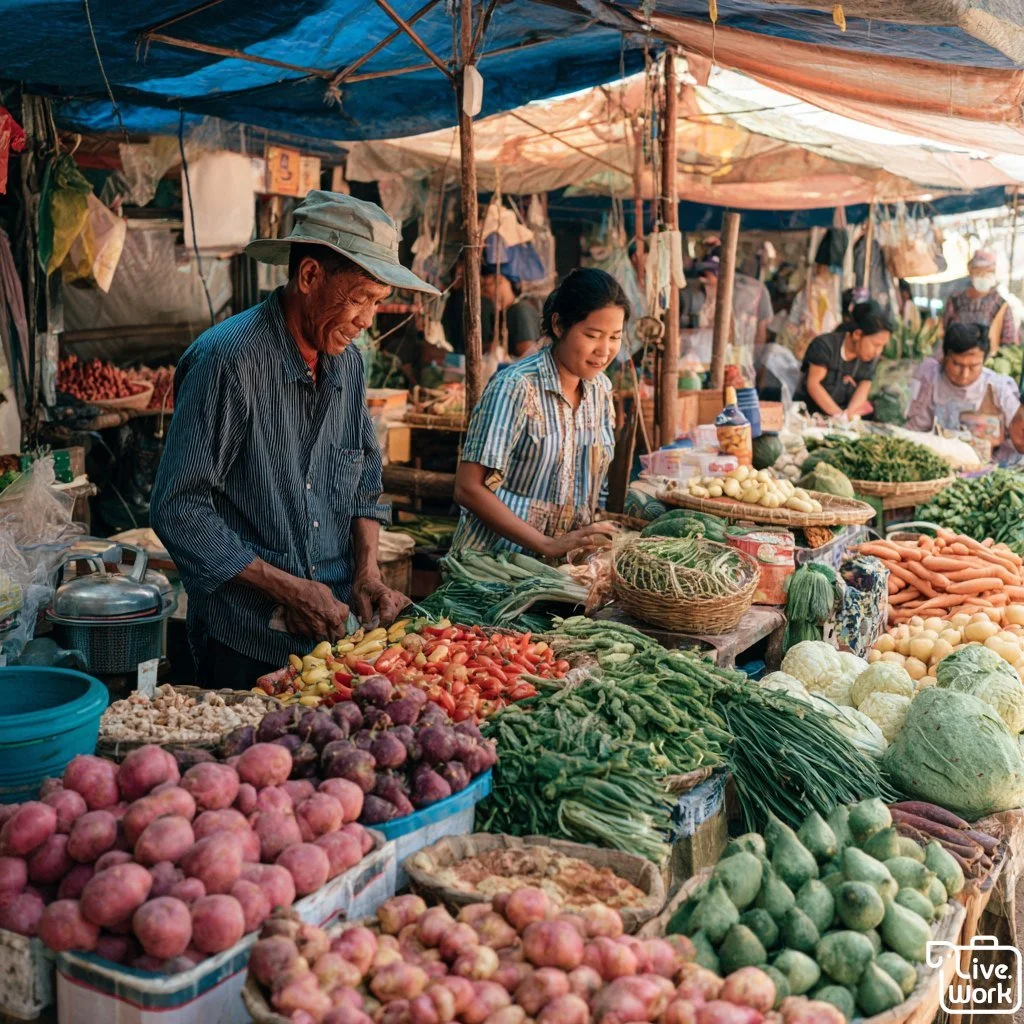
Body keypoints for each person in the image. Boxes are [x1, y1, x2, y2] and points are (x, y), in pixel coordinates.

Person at [151, 191, 439, 689]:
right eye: (360, 298)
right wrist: (287, 589)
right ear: (309, 276)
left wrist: (367, 574)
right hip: (247, 639)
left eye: (377, 302)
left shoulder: (348, 363)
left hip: (334, 637)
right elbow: (179, 508)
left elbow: (364, 479)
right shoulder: (228, 361)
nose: (367, 320)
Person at [451, 268, 627, 558]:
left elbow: (596, 484)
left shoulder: (601, 390)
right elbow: (468, 488)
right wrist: (546, 544)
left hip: (562, 566)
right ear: (558, 325)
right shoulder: (516, 386)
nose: (604, 350)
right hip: (496, 563)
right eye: (592, 335)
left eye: (615, 337)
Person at [906, 322, 1021, 462]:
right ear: (945, 357)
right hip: (940, 461)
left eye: (973, 366)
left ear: (984, 360)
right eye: (956, 364)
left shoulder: (999, 388)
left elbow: (1018, 435)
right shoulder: (930, 380)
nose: (964, 375)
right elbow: (916, 430)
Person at [681, 247, 773, 380]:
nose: (704, 279)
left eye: (709, 274)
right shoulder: (702, 296)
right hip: (708, 365)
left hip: (736, 365)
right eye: (704, 274)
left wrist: (757, 363)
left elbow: (760, 332)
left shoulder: (751, 292)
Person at [793, 300, 892, 419]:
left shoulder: (869, 358)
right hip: (808, 415)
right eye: (876, 345)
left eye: (882, 346)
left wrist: (848, 415)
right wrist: (839, 416)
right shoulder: (824, 346)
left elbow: (864, 387)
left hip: (838, 418)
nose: (878, 352)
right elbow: (813, 384)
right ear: (857, 334)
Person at [944, 249, 1018, 350]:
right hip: (958, 356)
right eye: (979, 271)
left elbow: (1009, 341)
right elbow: (945, 332)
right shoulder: (955, 301)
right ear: (970, 272)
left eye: (988, 272)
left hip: (990, 357)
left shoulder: (1001, 305)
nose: (983, 275)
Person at [480, 264, 541, 360]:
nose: (482, 293)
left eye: (485, 287)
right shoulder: (503, 314)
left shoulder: (519, 311)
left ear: (498, 279)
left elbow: (529, 356)